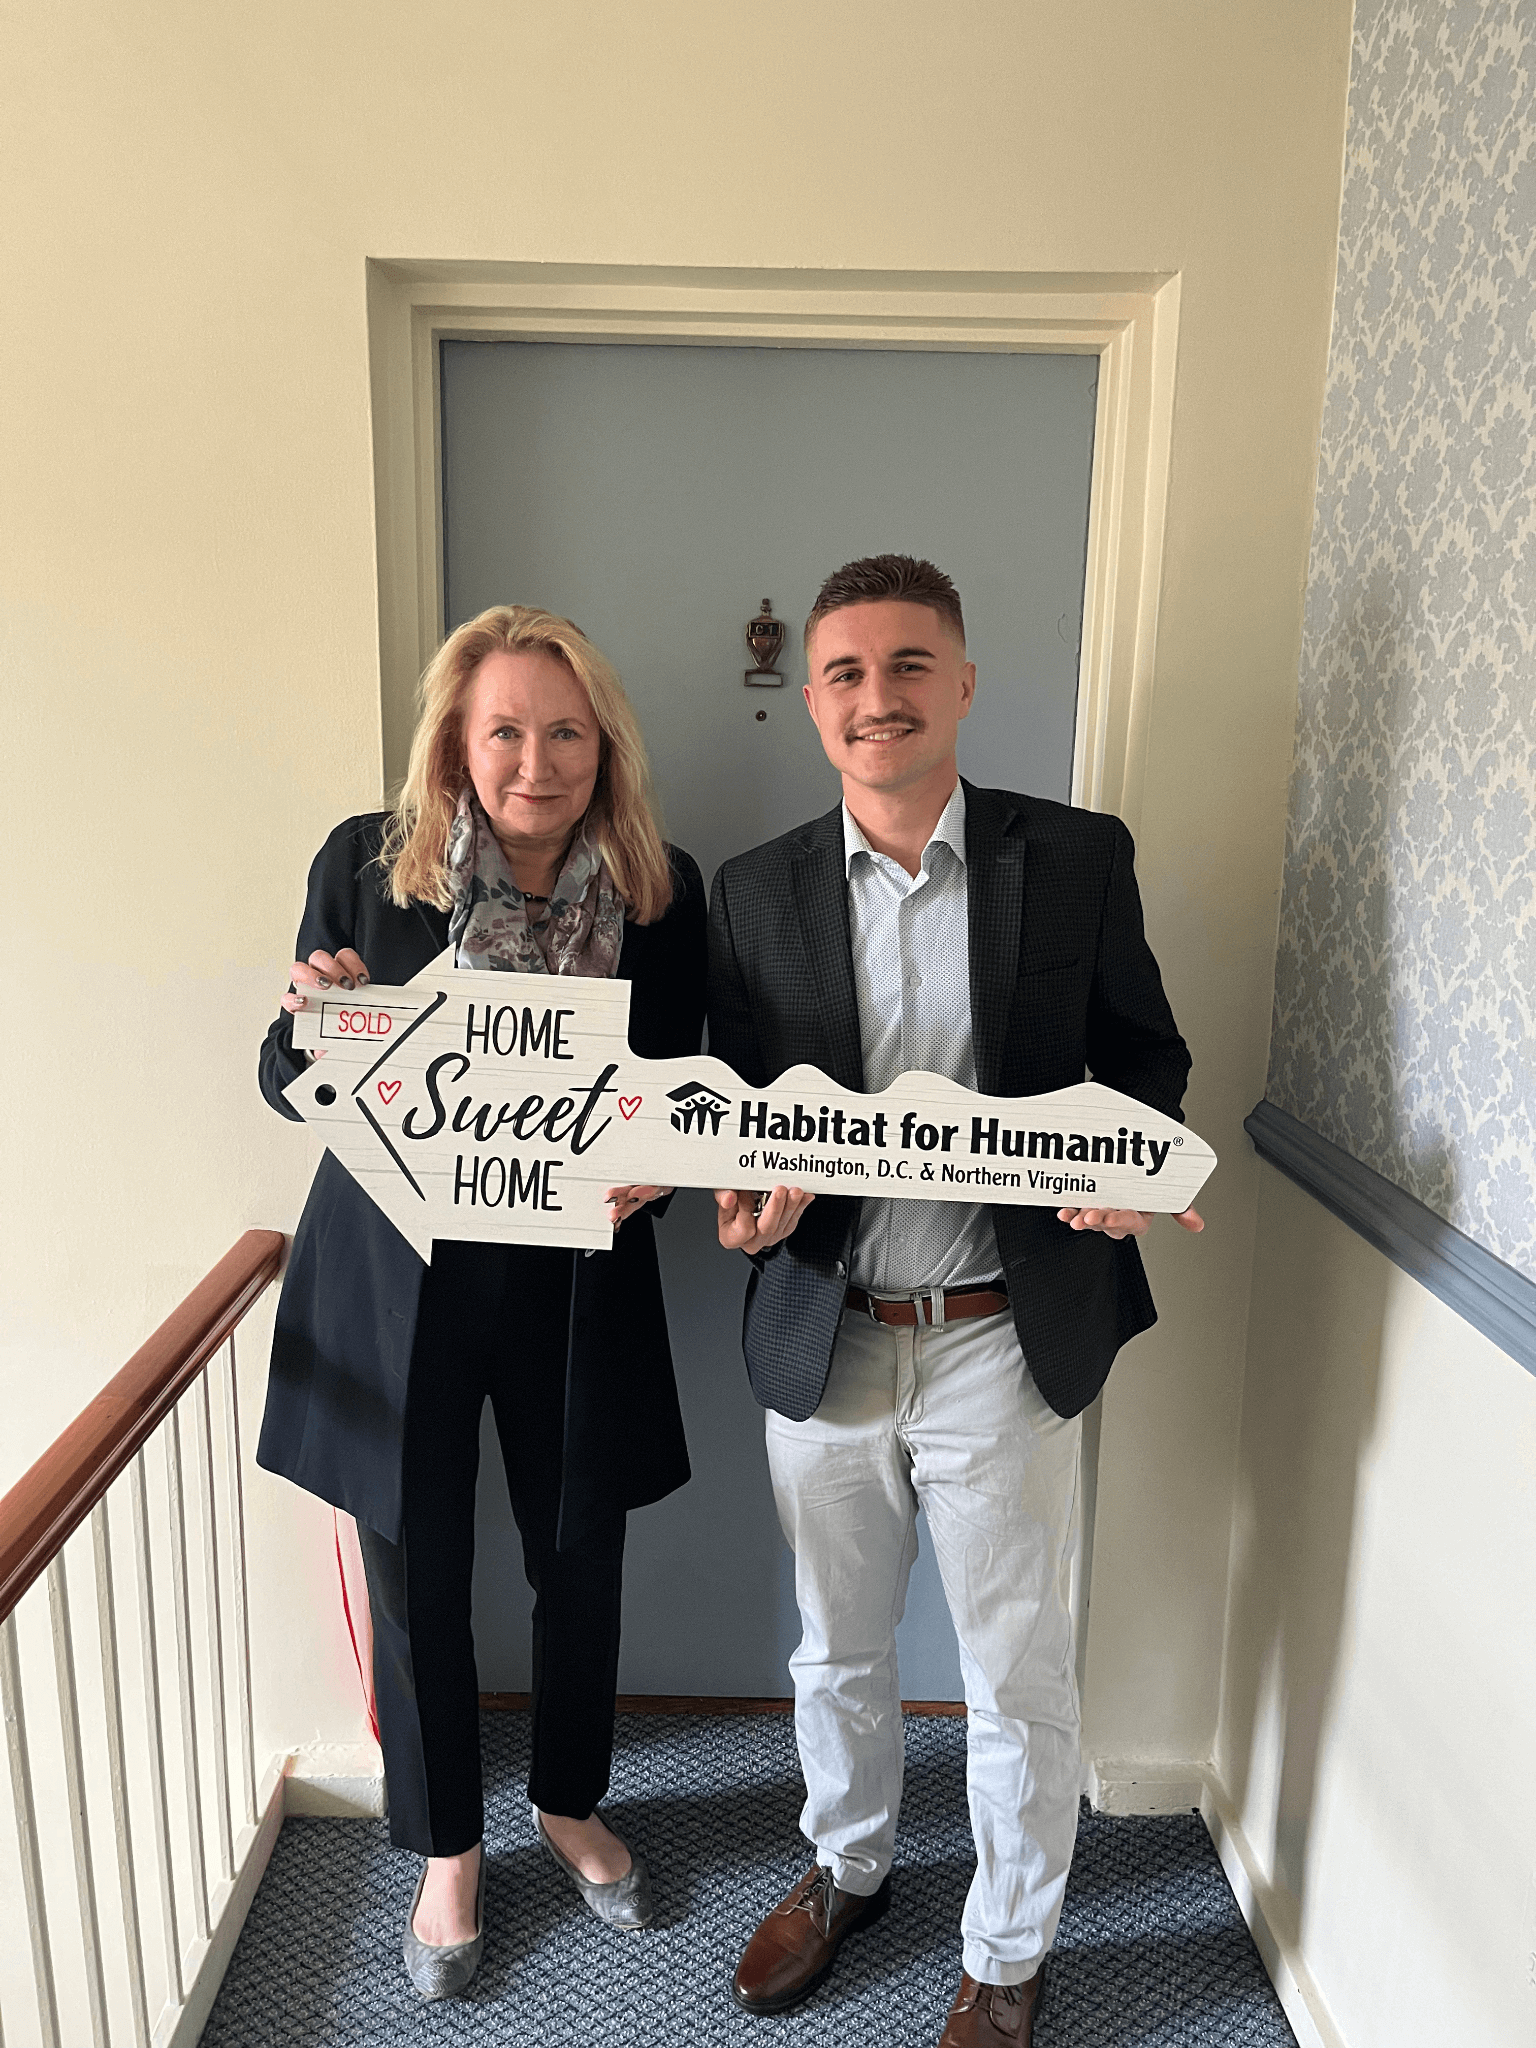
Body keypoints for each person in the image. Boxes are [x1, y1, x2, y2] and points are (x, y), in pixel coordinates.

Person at [708, 555, 1201, 2047]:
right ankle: (846, 1867)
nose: (879, 697)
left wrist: (1126, 1163)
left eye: (910, 665)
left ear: (966, 683)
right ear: (814, 703)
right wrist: (747, 1201)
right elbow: (738, 1112)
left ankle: (1007, 1949)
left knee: (1009, 1668)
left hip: (1004, 1332)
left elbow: (1148, 1056)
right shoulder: (756, 889)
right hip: (831, 1327)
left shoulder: (1079, 860)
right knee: (836, 1649)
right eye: (849, 673)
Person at [257, 605, 705, 1999]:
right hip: (400, 1283)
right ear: (457, 739)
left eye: (566, 731)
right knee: (417, 1569)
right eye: (505, 728)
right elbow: (288, 1077)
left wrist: (659, 1168)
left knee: (579, 1556)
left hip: (577, 1281)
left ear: (604, 746)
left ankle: (568, 1801)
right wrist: (318, 1023)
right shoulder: (364, 866)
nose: (535, 758)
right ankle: (449, 1842)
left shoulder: (659, 889)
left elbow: (683, 1097)